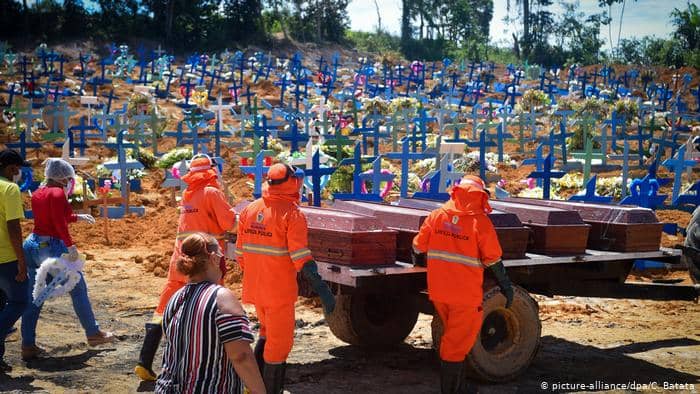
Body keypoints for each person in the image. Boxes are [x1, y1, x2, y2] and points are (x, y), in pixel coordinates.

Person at [236, 163, 335, 394]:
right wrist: (322, 288)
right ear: (291, 182)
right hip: (278, 291)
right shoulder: (292, 214)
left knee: (266, 333)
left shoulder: (250, 210)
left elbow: (240, 254)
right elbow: (301, 256)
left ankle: (253, 387)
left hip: (256, 288)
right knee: (279, 345)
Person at [136, 154, 237, 381]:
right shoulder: (211, 192)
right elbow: (229, 223)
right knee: (212, 311)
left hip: (180, 260)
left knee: (163, 310)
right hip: (205, 264)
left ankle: (144, 362)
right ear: (211, 170)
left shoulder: (188, 192)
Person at [412, 175, 514, 394]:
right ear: (480, 196)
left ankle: (459, 386)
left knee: (453, 338)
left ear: (456, 192)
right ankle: (453, 390)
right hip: (465, 296)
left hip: (439, 292)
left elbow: (418, 246)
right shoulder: (480, 223)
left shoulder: (437, 216)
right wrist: (506, 285)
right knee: (457, 345)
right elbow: (493, 259)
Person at [21, 158, 113, 361]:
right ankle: (93, 333)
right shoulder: (57, 193)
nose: (70, 182)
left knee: (35, 296)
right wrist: (70, 245)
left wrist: (77, 217)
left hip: (32, 244)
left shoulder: (38, 193)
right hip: (50, 247)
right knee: (78, 286)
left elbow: (53, 217)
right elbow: (57, 223)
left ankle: (27, 344)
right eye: (69, 178)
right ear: (63, 178)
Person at [156, 233, 265, 394]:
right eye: (222, 255)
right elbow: (241, 356)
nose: (224, 261)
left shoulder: (175, 298)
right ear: (214, 258)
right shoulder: (222, 298)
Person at [0, 149, 29, 372]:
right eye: (16, 168)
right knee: (19, 301)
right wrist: (22, 260)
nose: (17, 172)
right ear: (10, 168)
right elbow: (13, 226)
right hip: (6, 258)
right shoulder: (10, 189)